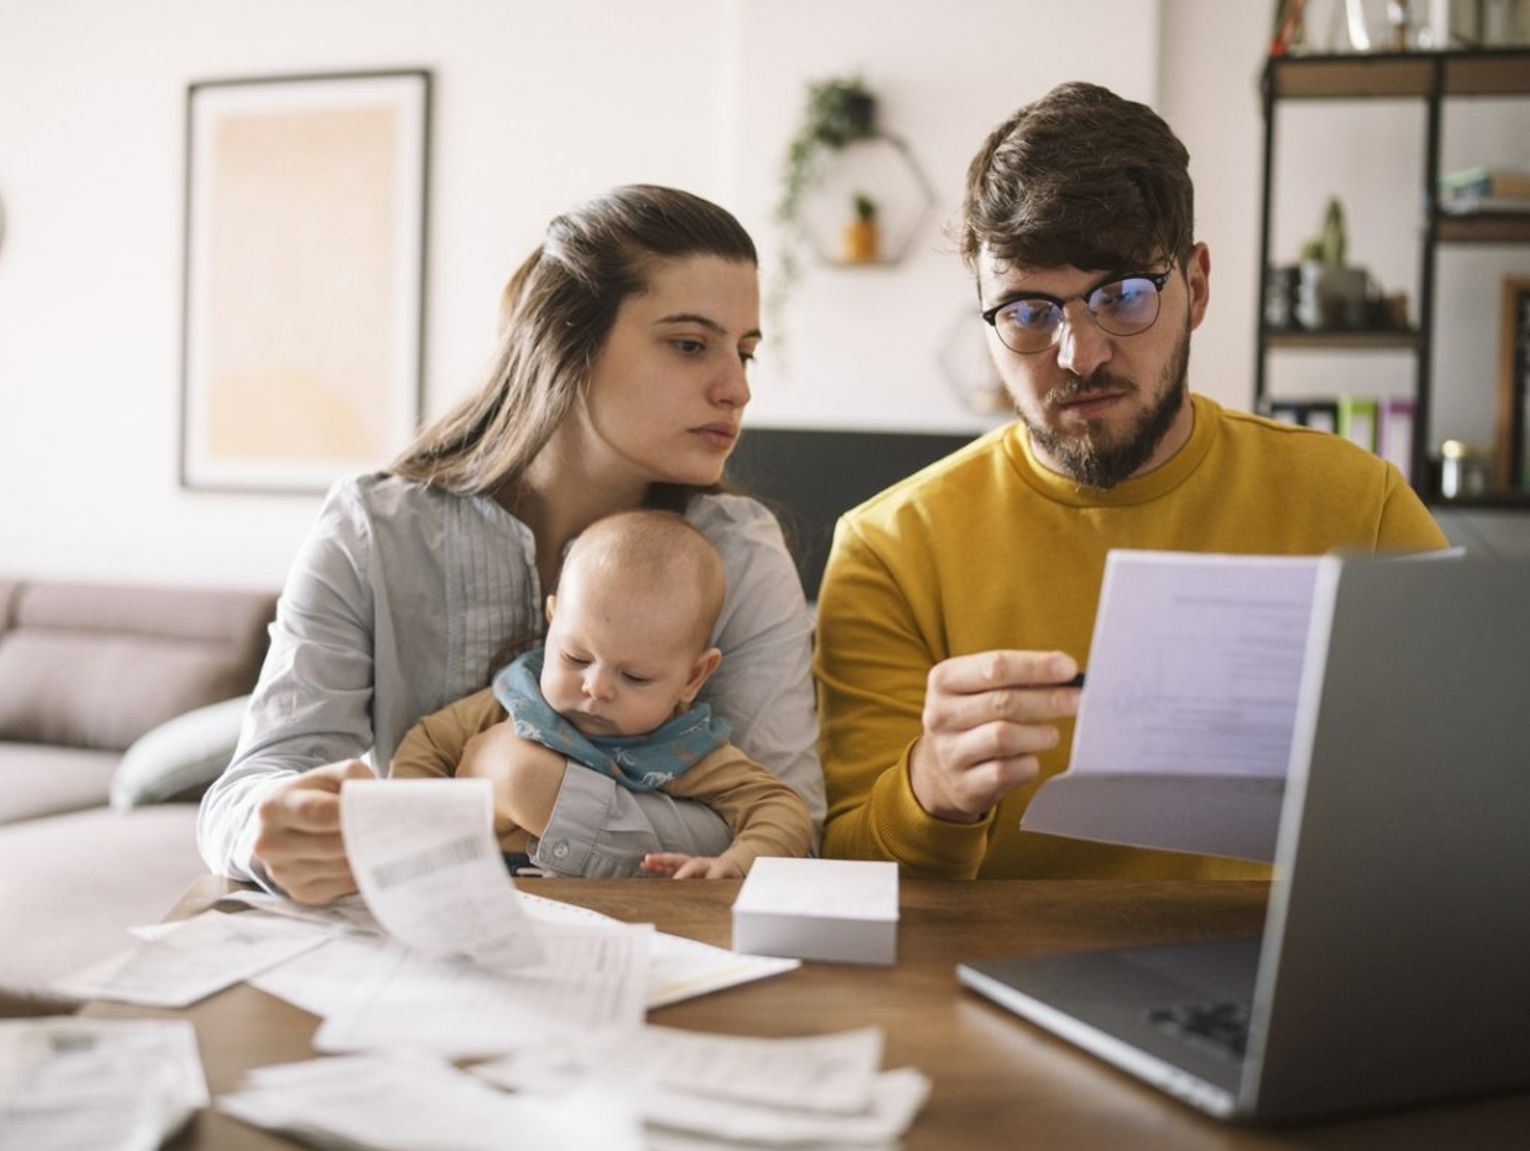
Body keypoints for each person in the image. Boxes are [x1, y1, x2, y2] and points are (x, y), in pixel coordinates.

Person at [814, 82, 1448, 881]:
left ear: (1199, 288)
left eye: (1122, 296)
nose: (1080, 355)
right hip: (989, 987)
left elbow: (1469, 799)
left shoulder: (1362, 506)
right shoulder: (888, 549)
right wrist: (932, 790)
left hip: (1281, 979)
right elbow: (843, 881)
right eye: (1028, 311)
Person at [198, 185, 824, 904]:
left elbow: (792, 830)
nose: (737, 388)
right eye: (690, 345)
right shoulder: (372, 530)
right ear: (566, 344)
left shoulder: (739, 553)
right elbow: (247, 788)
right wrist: (267, 828)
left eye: (744, 352)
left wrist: (531, 787)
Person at [391, 509, 813, 879]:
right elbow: (426, 744)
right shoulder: (516, 699)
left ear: (693, 677)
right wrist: (416, 834)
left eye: (634, 676)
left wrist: (737, 862)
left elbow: (783, 810)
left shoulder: (683, 749)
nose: (596, 687)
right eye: (575, 657)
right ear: (552, 622)